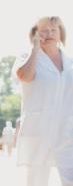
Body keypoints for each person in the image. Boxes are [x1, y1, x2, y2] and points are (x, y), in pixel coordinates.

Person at [15, 16, 73, 186]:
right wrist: (35, 49)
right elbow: (25, 76)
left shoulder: (70, 63)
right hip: (39, 128)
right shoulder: (28, 57)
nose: (49, 34)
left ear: (60, 33)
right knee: (37, 180)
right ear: (35, 35)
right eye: (44, 30)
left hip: (66, 129)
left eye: (54, 30)